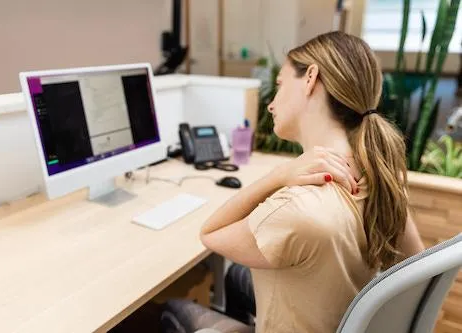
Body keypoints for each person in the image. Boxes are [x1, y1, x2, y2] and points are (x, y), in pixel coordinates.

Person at [162, 31, 425, 333]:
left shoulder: (297, 207)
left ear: (310, 78)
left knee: (175, 308)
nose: (271, 104)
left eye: (279, 85)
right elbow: (416, 269)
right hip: (338, 316)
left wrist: (278, 176)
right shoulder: (381, 176)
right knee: (236, 277)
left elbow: (210, 233)